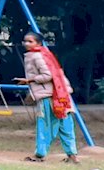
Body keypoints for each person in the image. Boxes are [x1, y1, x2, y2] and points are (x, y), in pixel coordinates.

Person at [22, 31, 78, 162]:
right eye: (25, 41)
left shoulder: (35, 56)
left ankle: (39, 155)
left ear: (38, 43)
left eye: (30, 41)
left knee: (45, 124)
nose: (26, 44)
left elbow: (48, 75)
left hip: (49, 96)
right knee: (66, 125)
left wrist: (29, 80)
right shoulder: (46, 54)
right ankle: (72, 155)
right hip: (62, 94)